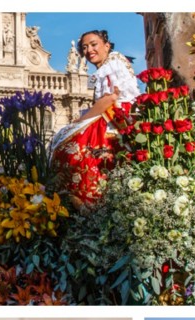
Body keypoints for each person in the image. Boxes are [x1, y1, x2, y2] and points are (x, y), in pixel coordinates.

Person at [48, 29, 141, 207]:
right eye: (84, 47)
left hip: (113, 119)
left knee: (71, 151)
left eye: (93, 44)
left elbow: (110, 98)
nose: (88, 50)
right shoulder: (108, 66)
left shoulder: (111, 65)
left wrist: (78, 123)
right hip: (114, 118)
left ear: (106, 46)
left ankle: (89, 204)